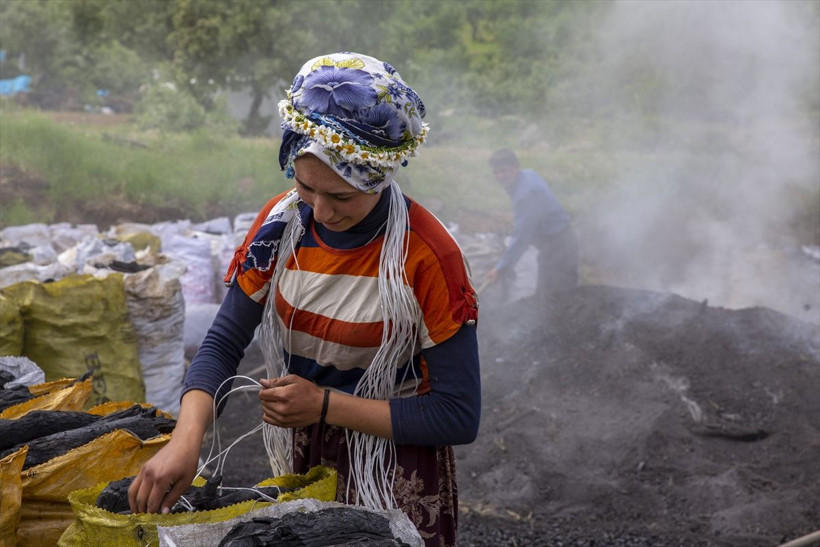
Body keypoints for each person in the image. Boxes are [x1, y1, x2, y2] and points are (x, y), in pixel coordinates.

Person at [128, 52, 481, 546]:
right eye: (305, 185)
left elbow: (457, 414)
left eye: (341, 197)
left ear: (379, 177)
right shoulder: (281, 224)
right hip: (303, 455)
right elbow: (224, 341)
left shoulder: (426, 255)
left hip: (393, 463)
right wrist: (187, 441)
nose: (320, 211)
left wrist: (325, 405)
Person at [484, 148, 579, 302]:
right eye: (496, 172)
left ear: (516, 167)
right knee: (545, 296)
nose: (500, 176)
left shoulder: (525, 194)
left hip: (560, 248)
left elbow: (522, 238)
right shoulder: (529, 174)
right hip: (554, 245)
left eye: (503, 171)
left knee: (558, 299)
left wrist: (501, 268)